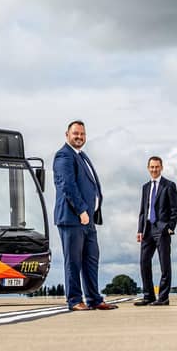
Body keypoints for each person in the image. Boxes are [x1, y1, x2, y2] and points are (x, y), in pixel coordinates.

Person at [53, 120, 117, 311]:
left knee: (91, 260)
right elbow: (67, 185)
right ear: (67, 135)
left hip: (87, 220)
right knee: (73, 261)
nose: (79, 137)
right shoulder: (64, 155)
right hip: (73, 218)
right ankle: (74, 300)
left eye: (82, 134)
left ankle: (94, 299)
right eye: (75, 134)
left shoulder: (82, 156)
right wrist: (81, 210)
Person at [134, 156, 177, 306]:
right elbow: (142, 210)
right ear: (148, 168)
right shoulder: (145, 187)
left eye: (157, 167)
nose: (154, 170)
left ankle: (163, 298)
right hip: (147, 229)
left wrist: (170, 227)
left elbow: (175, 210)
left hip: (162, 229)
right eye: (152, 167)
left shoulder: (169, 185)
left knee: (164, 264)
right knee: (144, 262)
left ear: (161, 168)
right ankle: (148, 296)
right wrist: (140, 230)